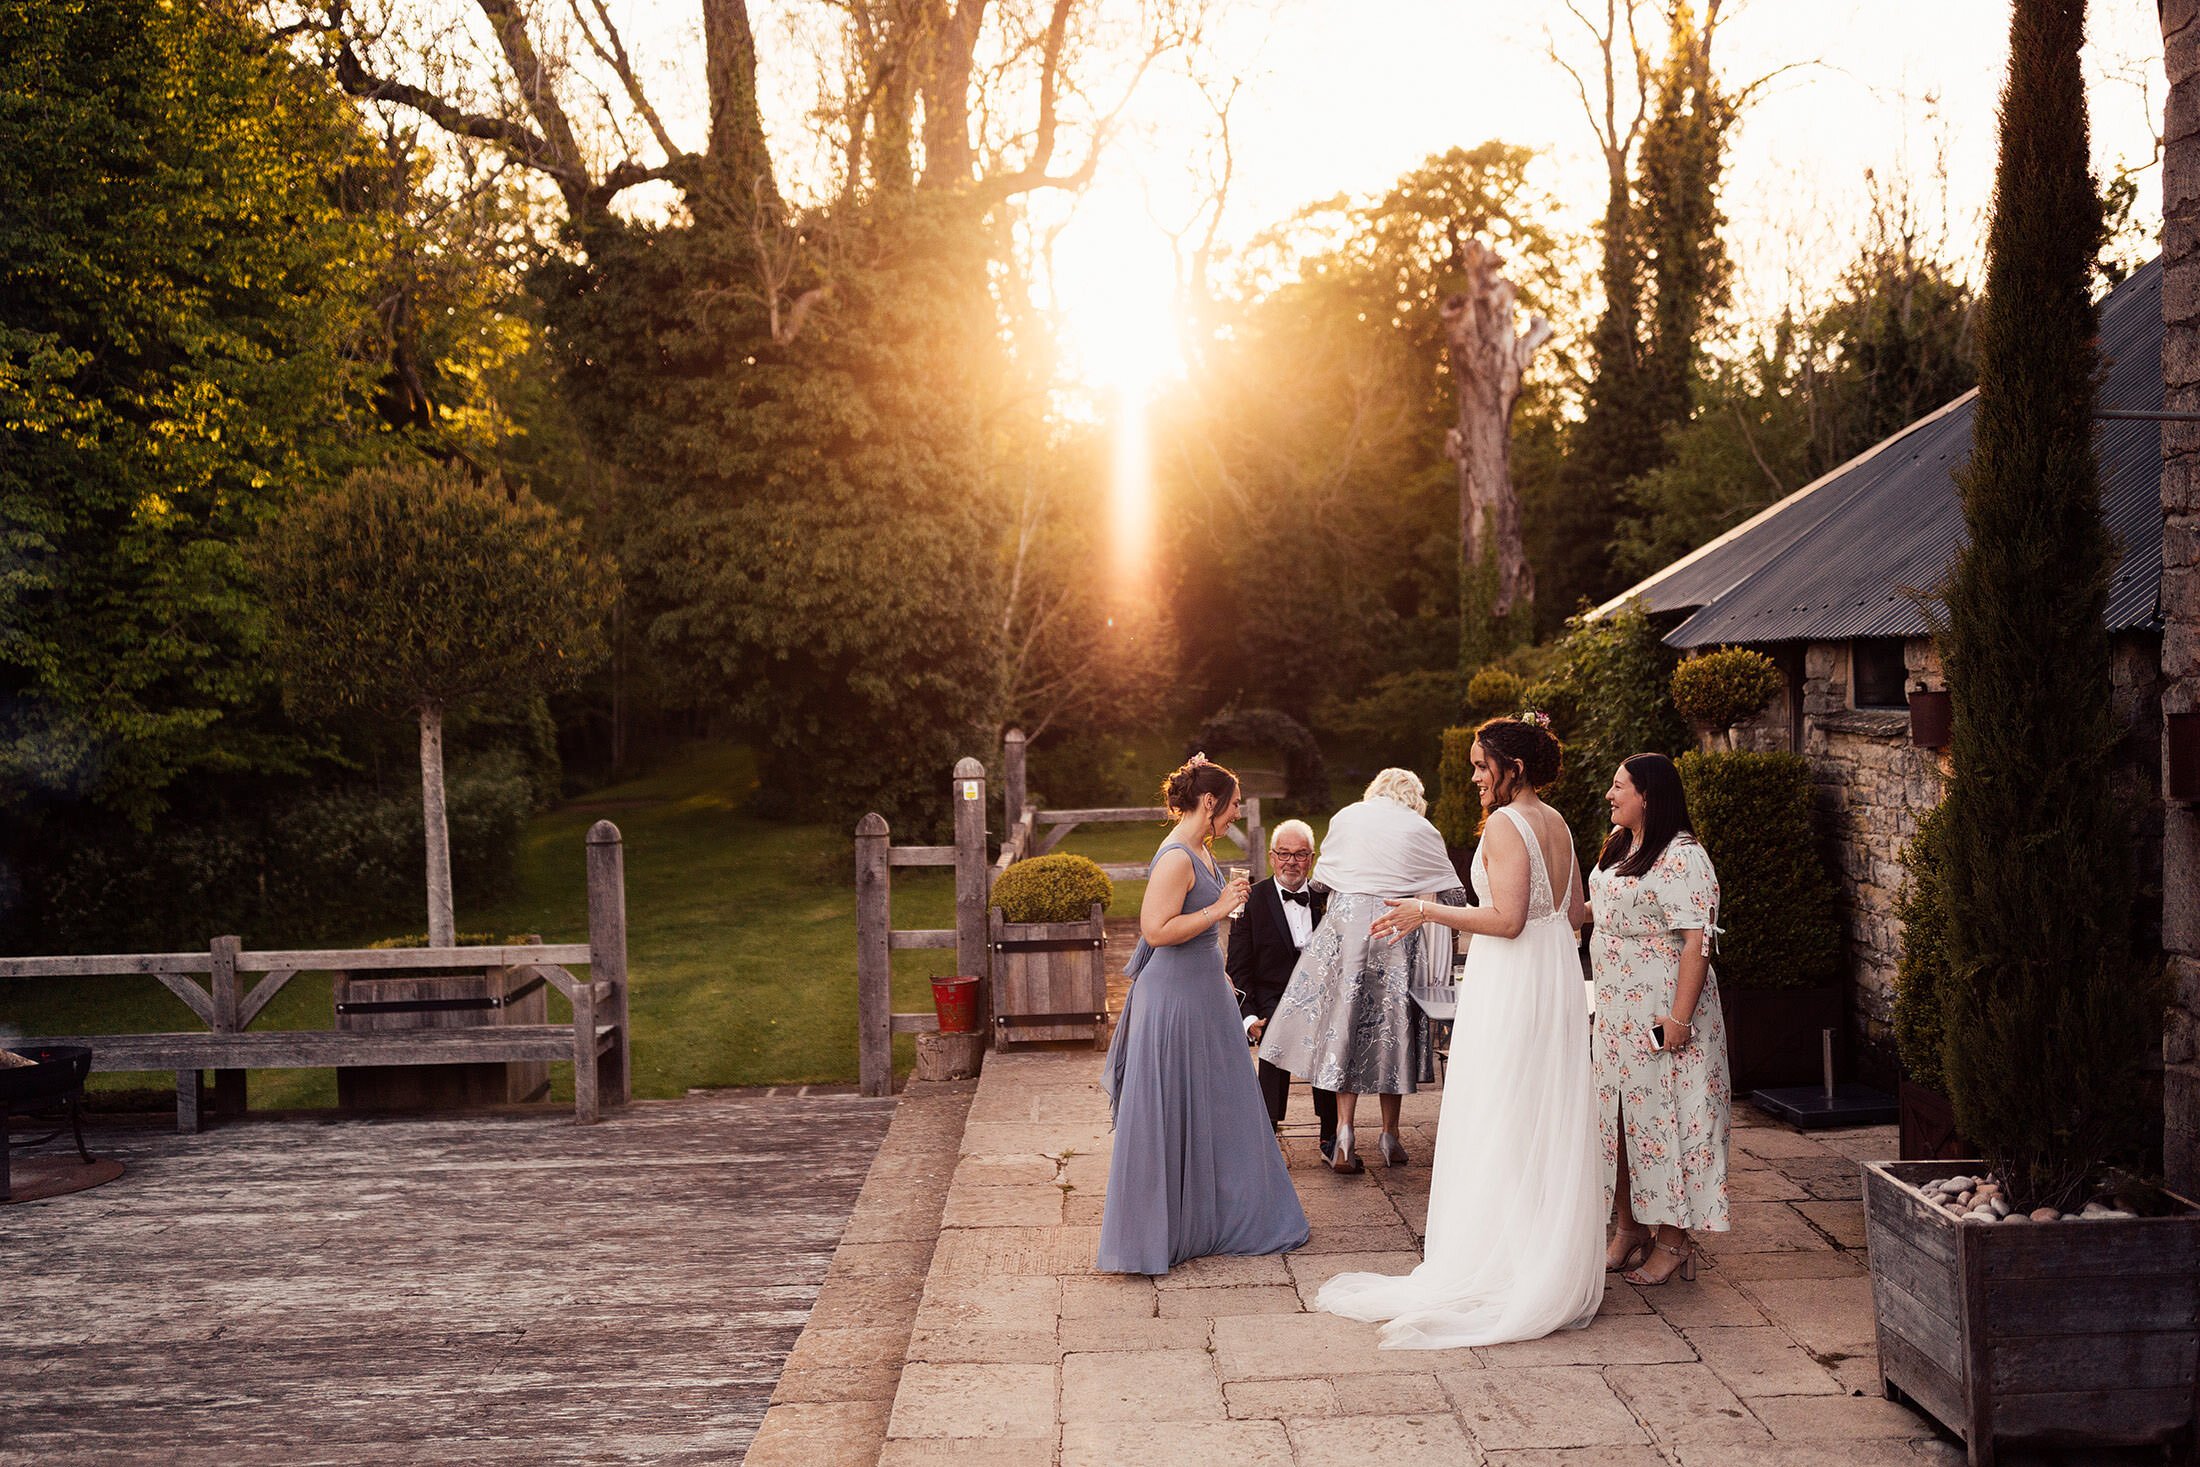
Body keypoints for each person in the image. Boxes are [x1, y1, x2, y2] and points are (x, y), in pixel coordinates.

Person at [1314, 716, 1605, 1348]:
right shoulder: (1557, 823)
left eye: (1481, 766)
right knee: (1539, 1112)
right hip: (1552, 980)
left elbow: (1504, 921)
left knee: (1500, 1113)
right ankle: (1539, 1255)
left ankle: (1499, 1261)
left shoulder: (1506, 824)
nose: (1473, 776)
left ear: (1512, 769)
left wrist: (1424, 909)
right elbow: (1577, 914)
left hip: (1512, 984)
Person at [1099, 755, 1310, 1276]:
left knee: (1220, 1105)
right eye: (1234, 803)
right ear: (1210, 802)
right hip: (1171, 1001)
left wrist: (1219, 970)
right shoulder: (1176, 858)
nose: (1239, 812)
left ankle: (1210, 1217)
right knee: (1175, 1107)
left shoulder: (1202, 850)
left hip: (1203, 991)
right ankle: (1159, 1232)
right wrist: (1219, 911)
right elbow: (1154, 930)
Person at [1259, 768, 1463, 1173]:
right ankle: (1390, 1134)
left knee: (1344, 1027)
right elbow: (1451, 891)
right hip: (1395, 924)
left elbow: (1320, 883)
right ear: (1412, 796)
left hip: (1348, 929)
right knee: (1393, 1029)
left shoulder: (1347, 817)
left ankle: (1346, 1133)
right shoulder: (1419, 827)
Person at [1589, 753, 1731, 1286]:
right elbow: (1606, 910)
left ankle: (1673, 1240)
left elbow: (1699, 939)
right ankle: (1629, 1229)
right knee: (1622, 1123)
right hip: (1616, 1013)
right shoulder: (1621, 845)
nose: (1610, 794)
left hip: (1663, 1012)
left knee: (1670, 1122)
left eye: (1619, 786)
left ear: (1648, 795)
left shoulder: (1684, 855)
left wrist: (1679, 1018)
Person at [1226, 819, 1340, 1160]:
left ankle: (1331, 1137)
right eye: (1284, 854)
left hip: (1321, 997)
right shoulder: (1251, 900)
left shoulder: (1326, 897)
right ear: (1272, 857)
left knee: (1330, 1034)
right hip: (1272, 999)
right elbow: (1238, 968)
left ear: (1312, 857)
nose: (1292, 862)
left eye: (1301, 854)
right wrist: (1249, 1019)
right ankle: (1267, 1135)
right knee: (1275, 1029)